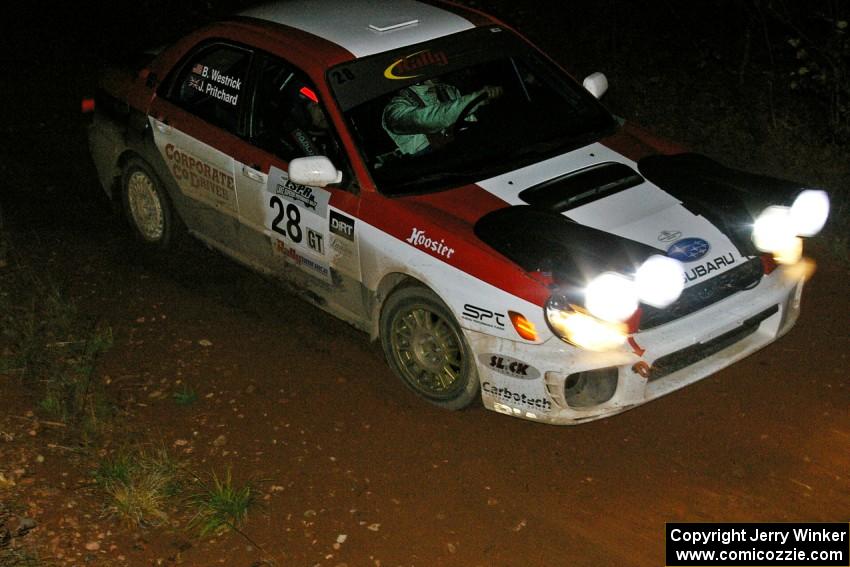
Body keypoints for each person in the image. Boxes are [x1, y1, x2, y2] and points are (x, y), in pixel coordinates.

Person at [382, 79, 503, 156]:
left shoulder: (447, 89)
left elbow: (469, 122)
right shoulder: (395, 108)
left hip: (462, 153)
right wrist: (476, 98)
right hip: (428, 165)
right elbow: (428, 120)